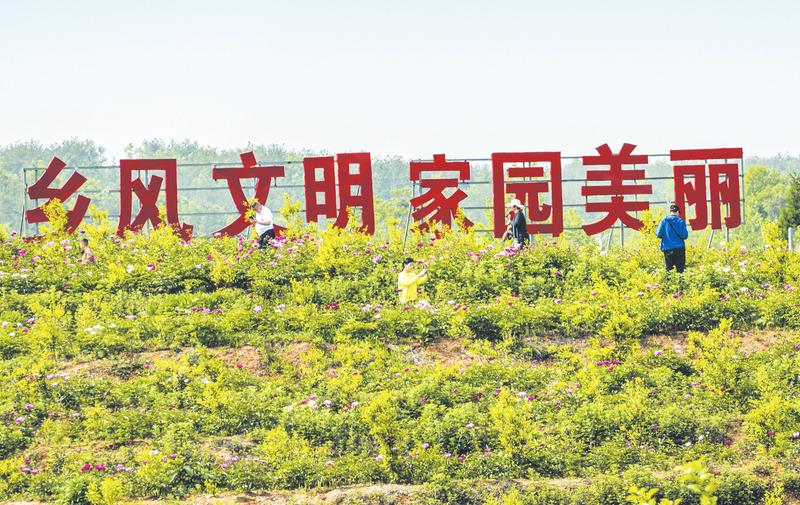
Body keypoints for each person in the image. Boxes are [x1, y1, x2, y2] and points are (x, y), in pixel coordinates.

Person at [656, 204, 689, 273]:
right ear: (677, 212)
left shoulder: (664, 221)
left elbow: (658, 234)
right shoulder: (681, 221)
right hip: (679, 249)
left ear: (670, 211)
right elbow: (685, 236)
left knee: (669, 270)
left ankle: (669, 280)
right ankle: (680, 280)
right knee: (680, 270)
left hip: (667, 249)